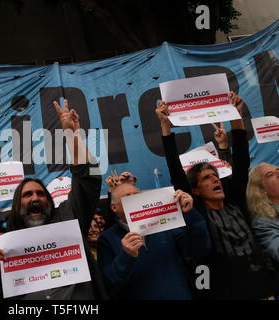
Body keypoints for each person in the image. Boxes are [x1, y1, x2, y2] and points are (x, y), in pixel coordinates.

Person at [0, 99, 107, 300]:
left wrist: (72, 134)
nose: (35, 198)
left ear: (49, 201)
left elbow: (89, 178)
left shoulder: (69, 219)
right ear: (17, 205)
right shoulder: (1, 244)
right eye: (27, 194)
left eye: (41, 193)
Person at [156, 91, 277, 299]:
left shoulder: (235, 202)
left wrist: (237, 116)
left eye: (215, 176)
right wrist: (166, 128)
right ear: (195, 190)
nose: (214, 180)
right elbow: (176, 172)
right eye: (205, 178)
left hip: (262, 289)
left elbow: (241, 162)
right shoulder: (199, 212)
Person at [98, 178, 211, 299]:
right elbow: (109, 284)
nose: (134, 199)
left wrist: (190, 214)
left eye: (137, 195)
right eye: (127, 196)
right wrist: (126, 256)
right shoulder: (106, 239)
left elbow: (199, 250)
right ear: (114, 207)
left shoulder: (166, 226)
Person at [246, 162, 279, 286]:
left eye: (278, 169)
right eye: (270, 174)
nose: (278, 173)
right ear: (261, 189)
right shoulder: (262, 223)